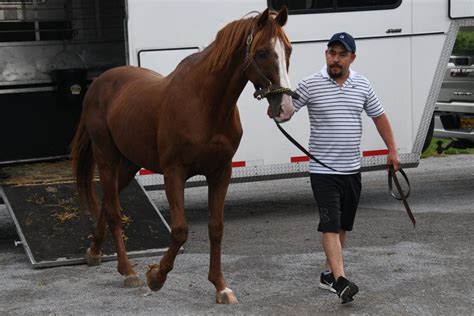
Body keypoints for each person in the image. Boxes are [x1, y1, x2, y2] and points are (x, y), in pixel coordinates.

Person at [272, 32, 400, 304]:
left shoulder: (363, 85)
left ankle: (328, 274)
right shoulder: (310, 84)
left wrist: (392, 150)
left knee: (343, 225)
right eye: (332, 53)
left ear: (352, 58)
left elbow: (379, 117)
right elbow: (286, 111)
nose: (336, 59)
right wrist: (275, 106)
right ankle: (341, 281)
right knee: (330, 223)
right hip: (323, 171)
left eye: (342, 55)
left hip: (352, 170)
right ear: (325, 54)